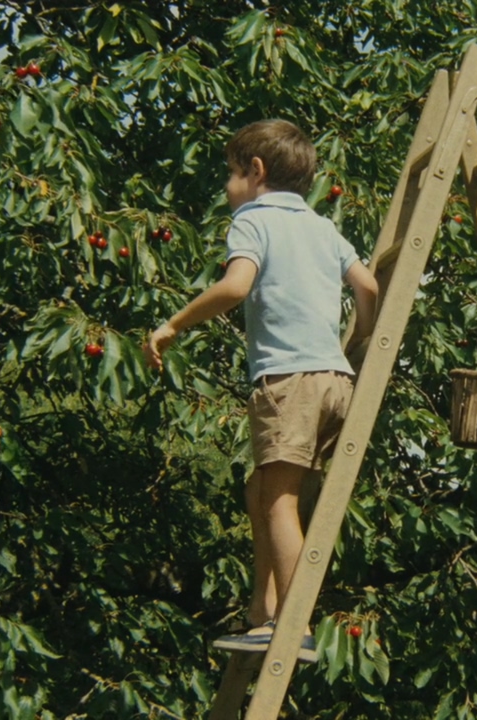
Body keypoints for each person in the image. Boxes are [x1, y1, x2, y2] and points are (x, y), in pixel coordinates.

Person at [143, 119, 378, 661]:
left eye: (231, 172)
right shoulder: (321, 226)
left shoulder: (253, 220)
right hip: (335, 382)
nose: (227, 185)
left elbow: (235, 286)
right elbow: (367, 285)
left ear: (256, 171)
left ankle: (290, 622)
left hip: (288, 381)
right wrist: (357, 340)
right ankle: (262, 614)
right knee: (262, 492)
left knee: (277, 501)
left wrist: (173, 325)